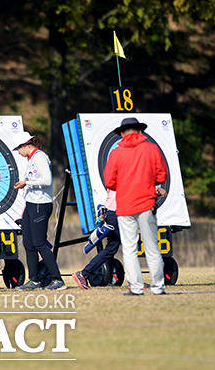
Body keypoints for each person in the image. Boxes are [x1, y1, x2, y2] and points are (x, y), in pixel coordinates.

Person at [103, 117, 168, 296]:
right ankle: (158, 286)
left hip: (124, 206)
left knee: (129, 249)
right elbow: (162, 176)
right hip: (147, 203)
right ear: (139, 131)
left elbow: (109, 181)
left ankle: (136, 287)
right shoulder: (152, 149)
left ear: (122, 133)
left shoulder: (116, 153)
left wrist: (123, 185)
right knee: (152, 247)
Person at [13, 131, 66, 291]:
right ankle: (34, 280)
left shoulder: (40, 157)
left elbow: (47, 180)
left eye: (19, 149)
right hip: (31, 204)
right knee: (28, 243)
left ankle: (58, 280)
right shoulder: (31, 159)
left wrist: (26, 183)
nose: (19, 152)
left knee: (39, 243)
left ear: (25, 145)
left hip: (40, 205)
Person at [73, 189, 121, 289]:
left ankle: (86, 274)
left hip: (114, 212)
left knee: (111, 249)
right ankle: (84, 273)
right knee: (114, 248)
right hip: (117, 212)